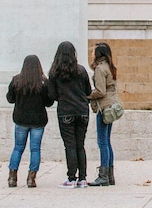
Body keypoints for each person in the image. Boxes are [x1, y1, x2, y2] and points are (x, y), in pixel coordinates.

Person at [46, 41, 92, 188]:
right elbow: (88, 92)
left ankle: (71, 178)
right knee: (80, 145)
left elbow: (52, 95)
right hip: (82, 110)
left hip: (65, 111)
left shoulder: (54, 73)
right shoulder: (81, 71)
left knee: (70, 146)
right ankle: (83, 178)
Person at [6, 54, 55, 188]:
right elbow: (49, 102)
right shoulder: (44, 82)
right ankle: (31, 178)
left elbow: (10, 98)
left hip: (21, 119)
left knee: (18, 148)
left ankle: (12, 176)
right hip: (38, 120)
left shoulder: (16, 80)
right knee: (35, 149)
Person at [87, 42, 120, 187]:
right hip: (111, 106)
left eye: (93, 51)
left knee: (102, 142)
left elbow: (100, 91)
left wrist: (87, 95)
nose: (91, 54)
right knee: (107, 141)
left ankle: (103, 175)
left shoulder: (100, 69)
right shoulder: (109, 67)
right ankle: (110, 174)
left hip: (103, 107)